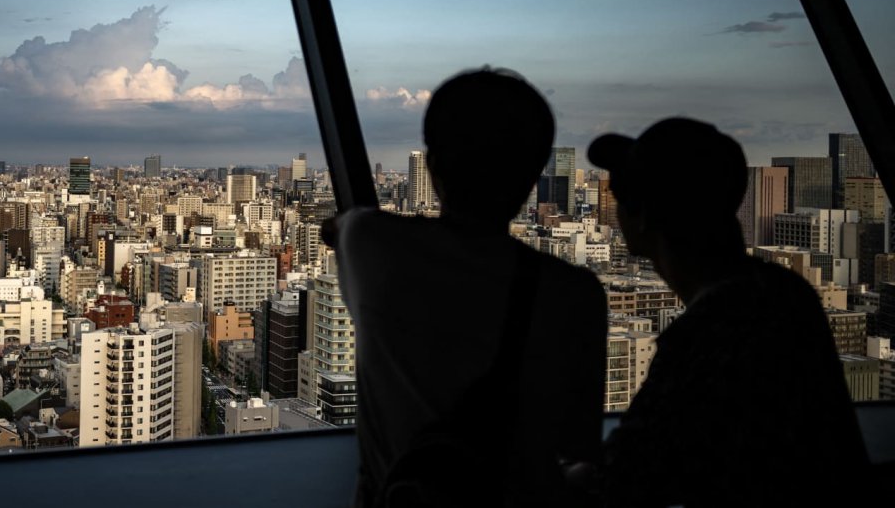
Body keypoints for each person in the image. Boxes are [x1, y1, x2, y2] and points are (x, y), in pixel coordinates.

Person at [331, 68, 608, 507]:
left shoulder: (372, 246)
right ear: (534, 176)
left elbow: (338, 227)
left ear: (434, 164)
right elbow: (578, 447)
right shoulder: (573, 293)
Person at [587, 117, 870, 507]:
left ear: (644, 218)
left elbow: (630, 470)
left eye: (622, 197)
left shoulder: (712, 328)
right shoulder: (785, 291)